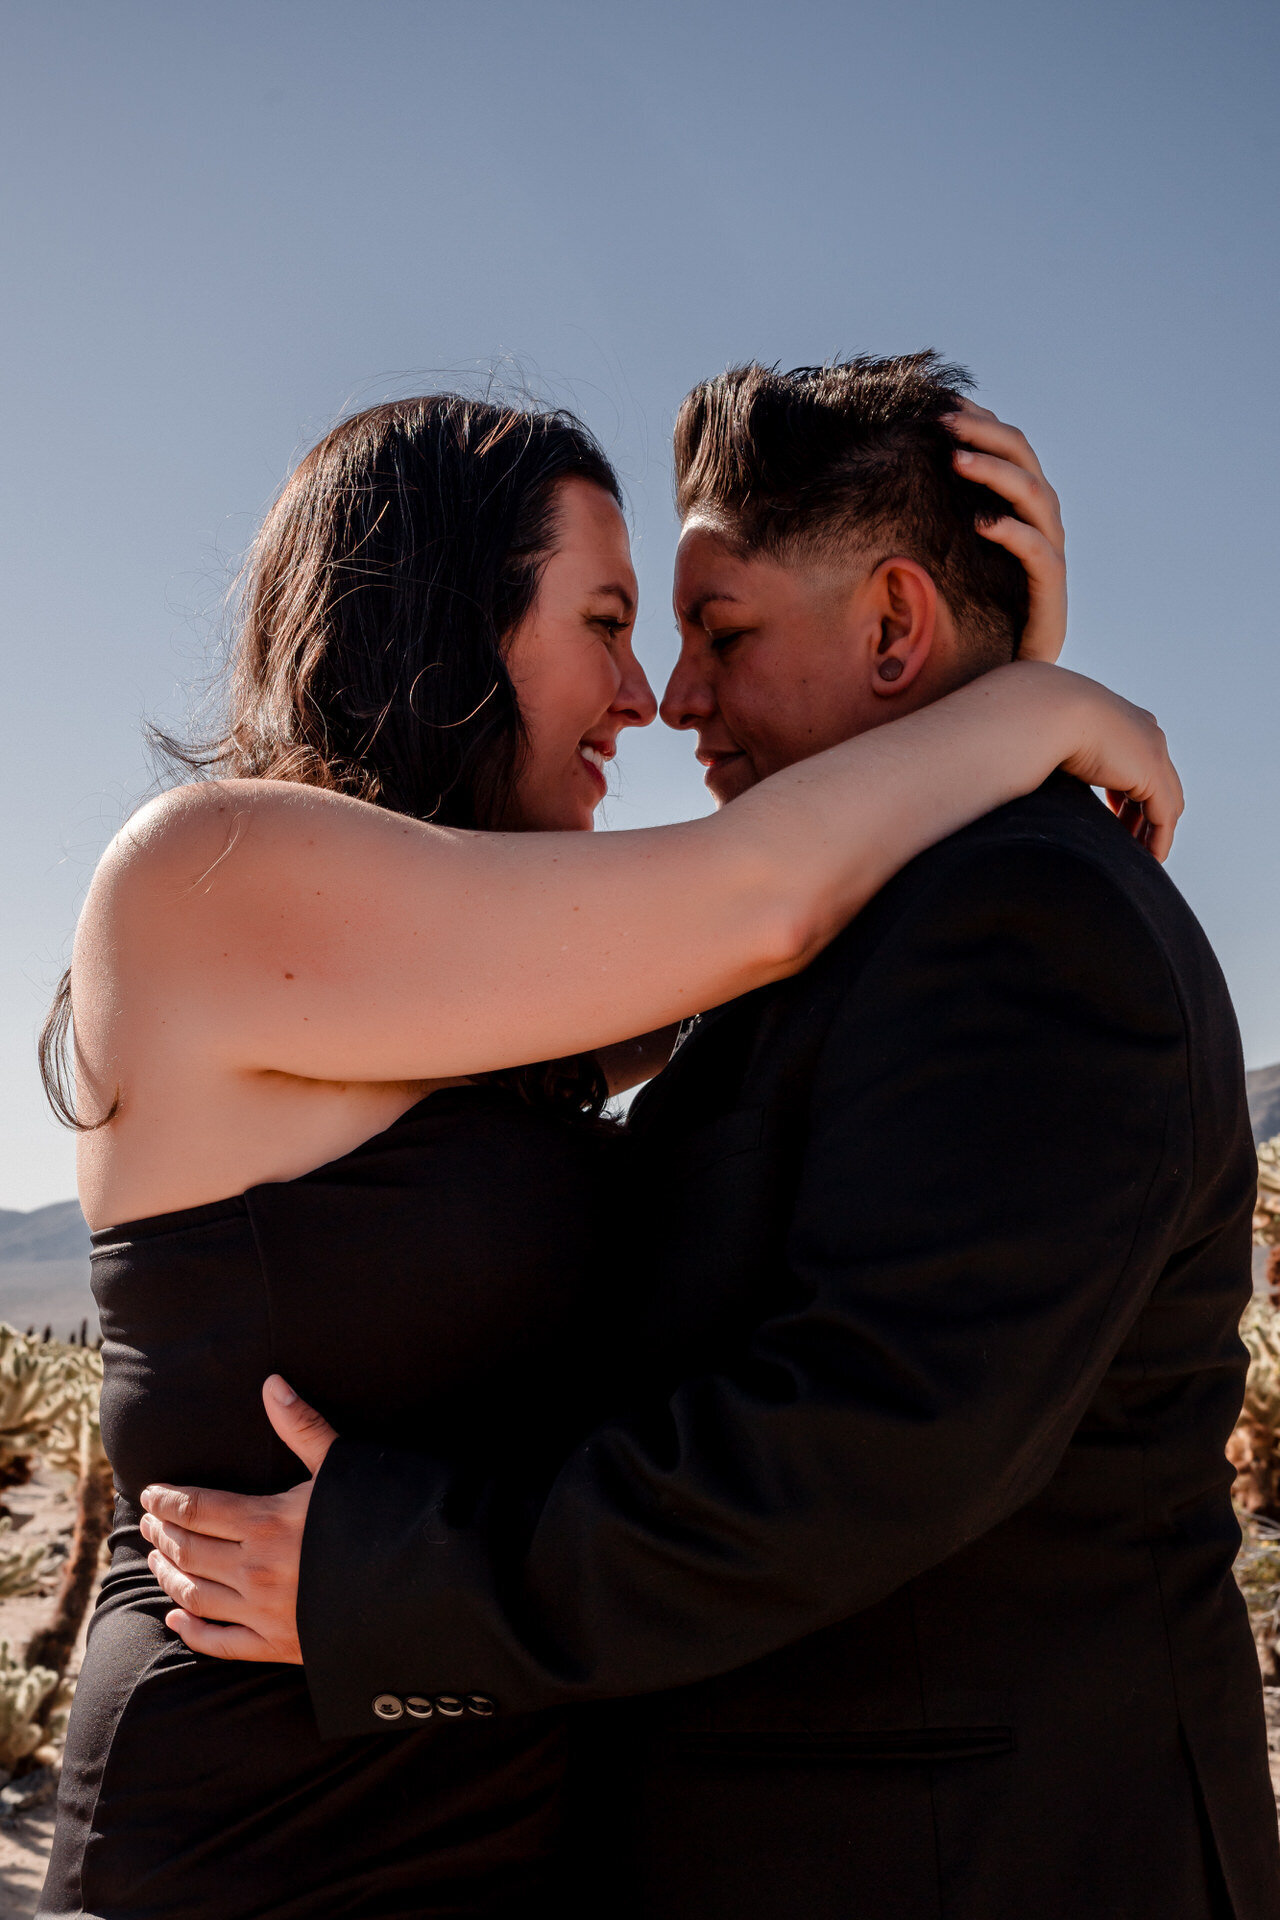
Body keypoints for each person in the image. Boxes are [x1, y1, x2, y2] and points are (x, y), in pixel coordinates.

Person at [143, 358, 1278, 1920]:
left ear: (890, 626)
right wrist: (1029, 697)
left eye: (708, 632)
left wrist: (996, 694)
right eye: (616, 627)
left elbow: (875, 1434)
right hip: (276, 1826)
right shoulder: (234, 884)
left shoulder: (1016, 916)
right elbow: (763, 892)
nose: (661, 698)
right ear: (445, 622)